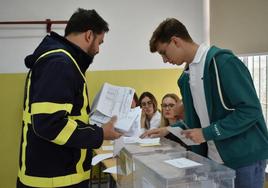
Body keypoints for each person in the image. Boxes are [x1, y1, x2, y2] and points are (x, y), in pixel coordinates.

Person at [141, 18, 268, 188]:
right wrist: (168, 130)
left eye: (164, 52)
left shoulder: (223, 63)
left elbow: (250, 111)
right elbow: (199, 122)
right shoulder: (186, 78)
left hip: (244, 158)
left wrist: (207, 133)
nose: (164, 60)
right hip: (216, 160)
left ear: (175, 41)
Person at [17, 8, 122, 188]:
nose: (98, 49)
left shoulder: (62, 61)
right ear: (89, 35)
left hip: (54, 175)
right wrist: (100, 133)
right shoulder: (60, 63)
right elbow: (49, 123)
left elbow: (63, 118)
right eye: (100, 42)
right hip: (55, 180)